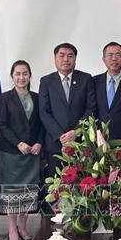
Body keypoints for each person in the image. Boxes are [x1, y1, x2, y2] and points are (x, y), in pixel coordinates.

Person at [0, 60, 44, 240]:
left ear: (30, 75)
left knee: (27, 193)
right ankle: (12, 230)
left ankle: (23, 228)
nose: (21, 77)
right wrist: (18, 143)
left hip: (32, 153)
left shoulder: (38, 97)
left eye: (25, 73)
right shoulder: (5, 98)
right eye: (17, 74)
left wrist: (39, 142)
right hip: (11, 153)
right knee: (12, 193)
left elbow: (42, 123)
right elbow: (2, 125)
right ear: (12, 76)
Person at [38, 43, 96, 181]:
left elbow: (91, 108)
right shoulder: (46, 81)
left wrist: (75, 132)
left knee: (81, 185)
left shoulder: (86, 79)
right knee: (56, 186)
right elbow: (44, 112)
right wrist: (61, 135)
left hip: (80, 143)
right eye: (62, 55)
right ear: (55, 58)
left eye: (70, 56)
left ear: (75, 59)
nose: (66, 59)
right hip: (55, 145)